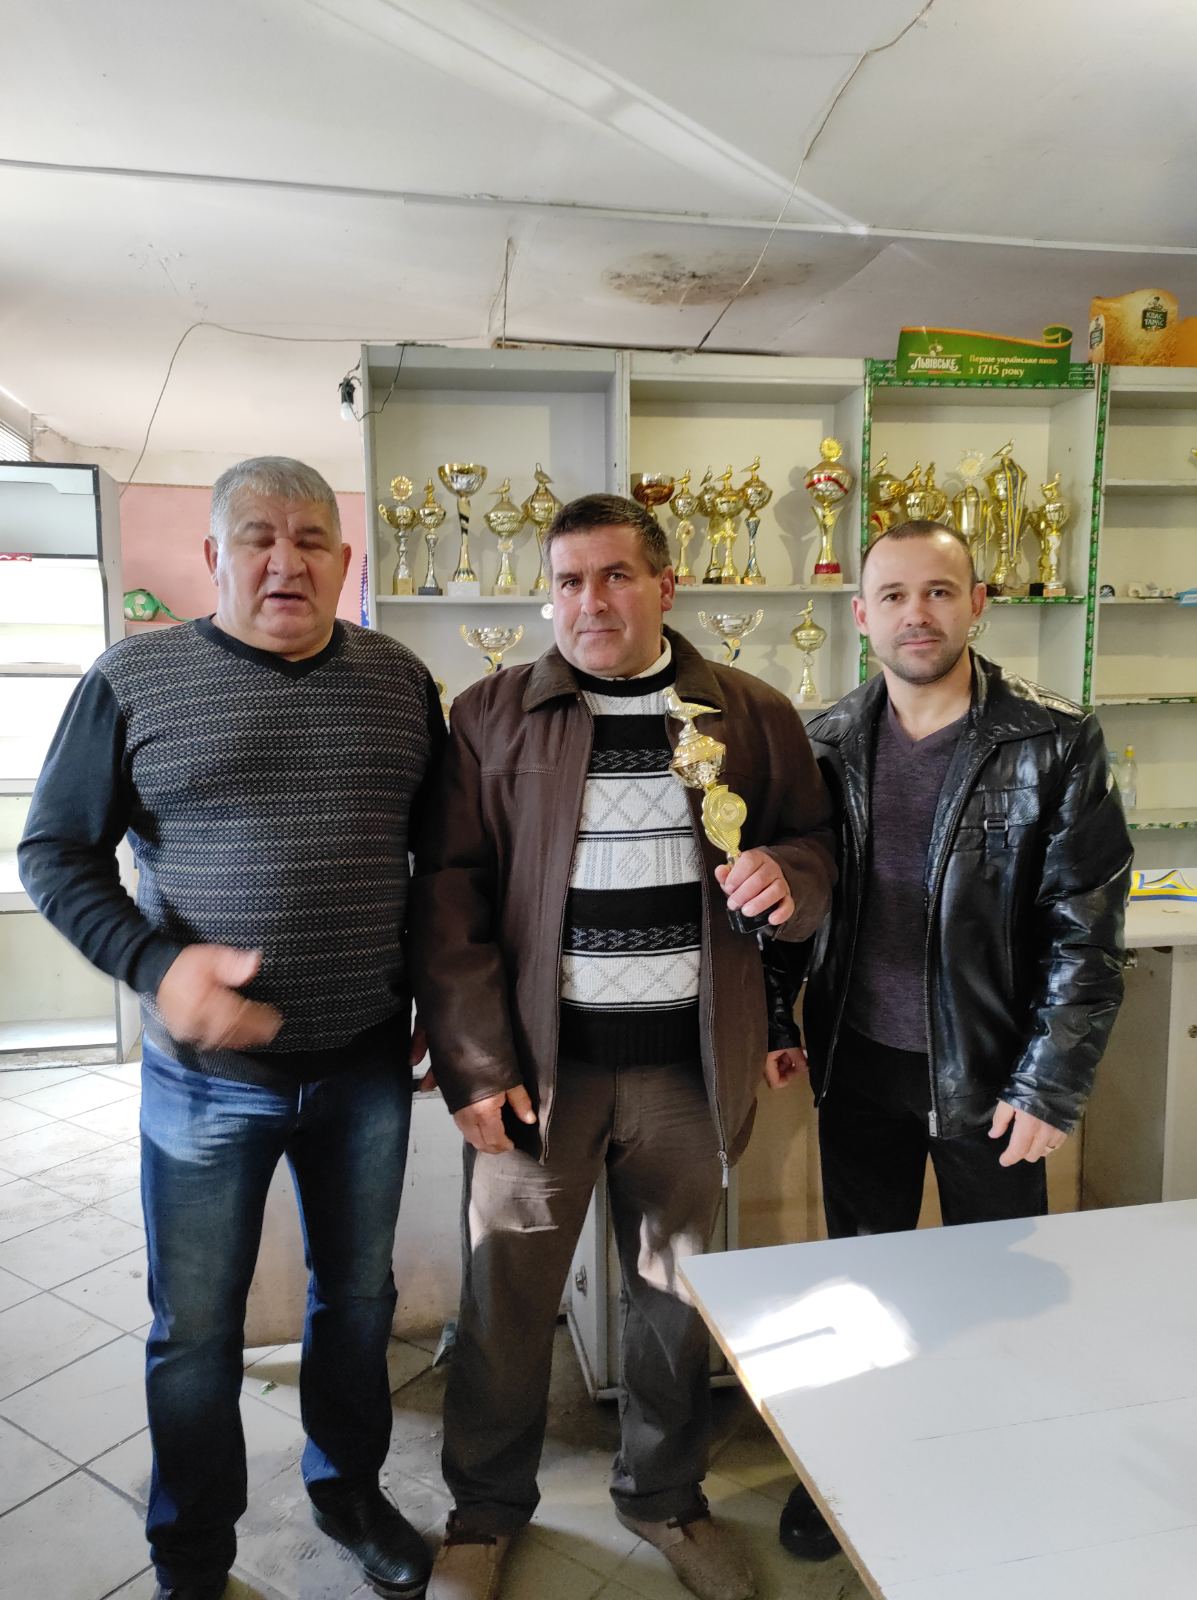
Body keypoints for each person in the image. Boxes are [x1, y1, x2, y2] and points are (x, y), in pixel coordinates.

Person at [18, 457, 444, 1600]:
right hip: (204, 1080)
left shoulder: (401, 683)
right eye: (258, 536)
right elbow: (53, 851)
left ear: (345, 561)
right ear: (214, 555)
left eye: (312, 539)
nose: (285, 560)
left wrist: (438, 997)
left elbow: (444, 859)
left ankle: (347, 1489)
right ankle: (194, 1551)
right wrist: (158, 967)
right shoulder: (134, 678)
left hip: (364, 1063)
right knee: (196, 1329)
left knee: (358, 1299)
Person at [409, 492, 836, 1600]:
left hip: (689, 1070)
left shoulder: (750, 712)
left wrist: (790, 876)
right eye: (568, 581)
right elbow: (449, 897)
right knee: (505, 1304)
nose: (589, 601)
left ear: (664, 586)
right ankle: (484, 1512)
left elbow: (813, 844)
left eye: (614, 576)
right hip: (537, 1076)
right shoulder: (492, 714)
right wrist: (474, 1065)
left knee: (673, 1301)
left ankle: (665, 1496)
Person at [768, 520, 1132, 1562]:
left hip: (991, 1076)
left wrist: (1048, 1085)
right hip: (858, 1064)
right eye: (892, 595)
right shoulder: (824, 738)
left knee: (995, 1289)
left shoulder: (1054, 740)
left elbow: (1085, 933)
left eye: (938, 591)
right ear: (861, 614)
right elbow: (797, 894)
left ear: (978, 603)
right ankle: (849, 1468)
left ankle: (995, 1466)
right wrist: (781, 1012)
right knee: (862, 1283)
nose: (915, 614)